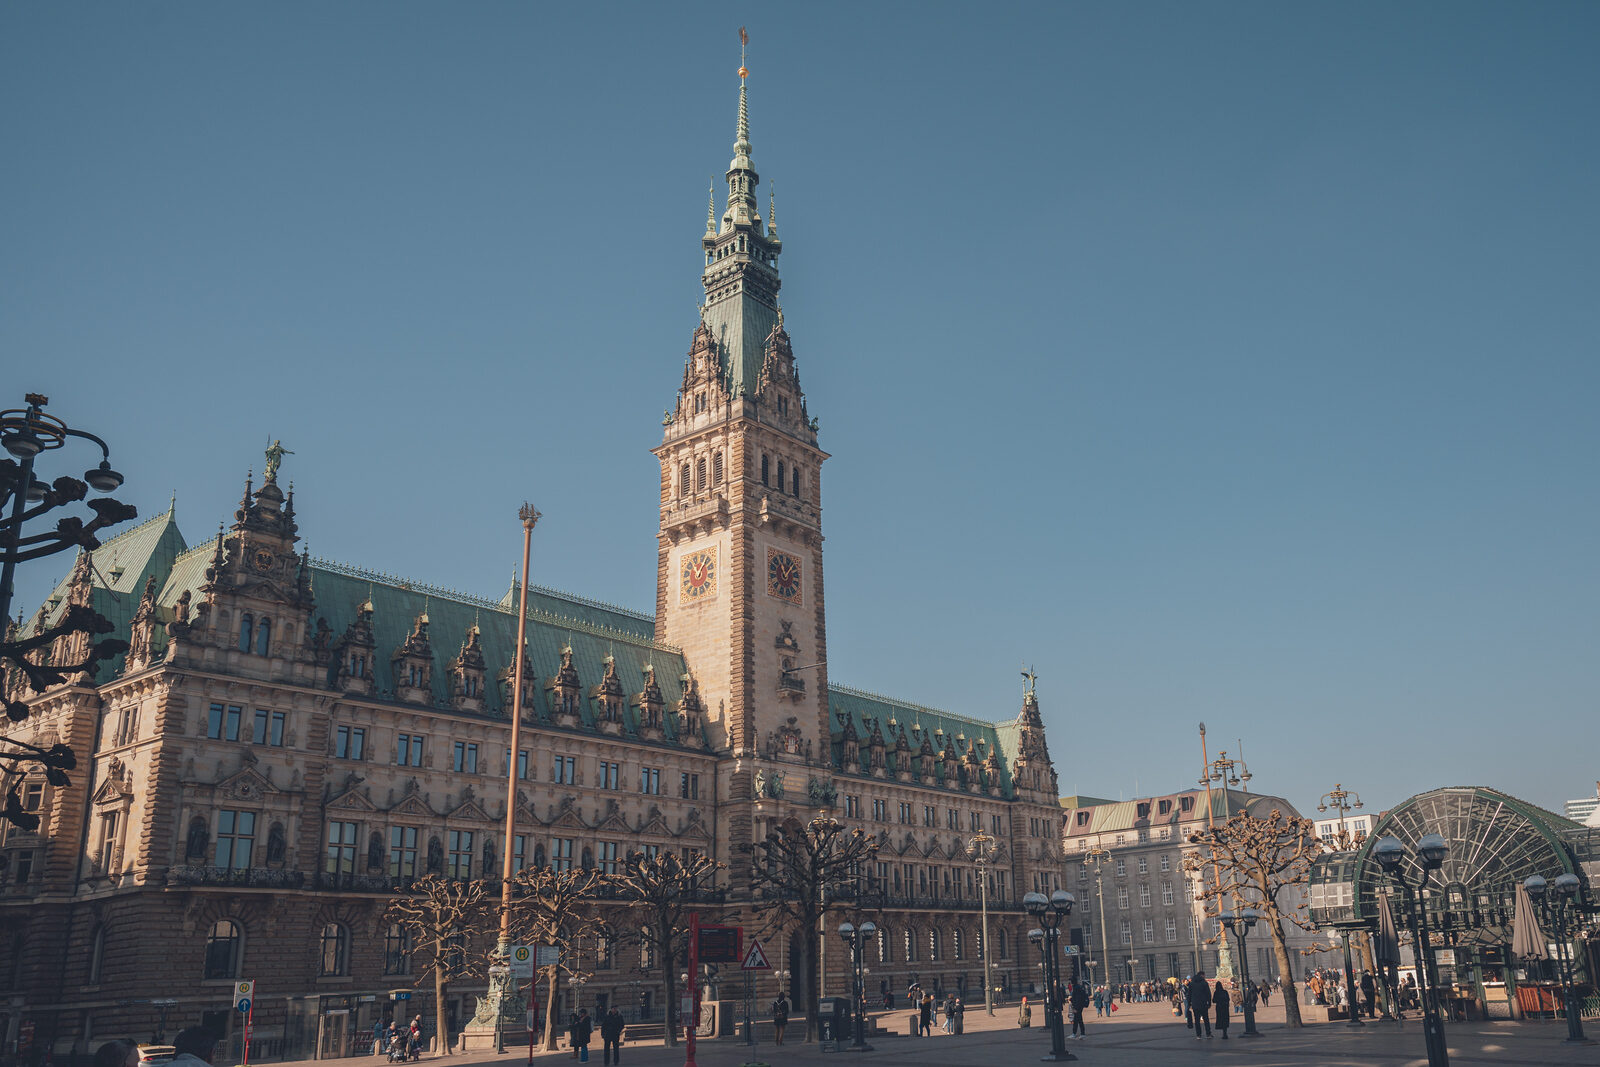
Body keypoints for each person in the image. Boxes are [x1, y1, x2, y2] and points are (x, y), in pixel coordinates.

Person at [1187, 970, 1213, 1039]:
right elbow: (1208, 994)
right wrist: (1209, 1002)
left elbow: (1189, 994)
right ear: (1202, 975)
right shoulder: (1204, 983)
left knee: (1197, 1020)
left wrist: (1189, 1003)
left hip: (1195, 1004)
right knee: (1206, 1019)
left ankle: (1198, 1035)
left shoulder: (1192, 983)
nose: (1205, 977)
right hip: (1203, 1004)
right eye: (1204, 975)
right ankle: (1208, 1034)